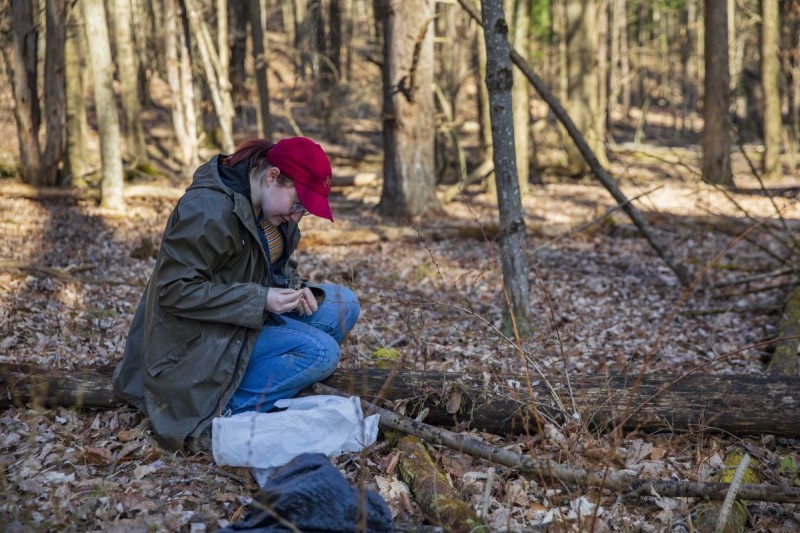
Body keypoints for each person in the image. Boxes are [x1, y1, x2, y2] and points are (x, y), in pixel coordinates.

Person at [112, 137, 360, 451]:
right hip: (190, 343)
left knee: (342, 303)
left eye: (305, 211)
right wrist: (261, 299)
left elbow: (277, 267)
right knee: (322, 353)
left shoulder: (275, 213)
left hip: (238, 321)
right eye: (298, 204)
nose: (298, 216)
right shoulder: (207, 208)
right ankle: (217, 416)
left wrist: (293, 289)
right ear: (272, 176)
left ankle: (271, 384)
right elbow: (174, 291)